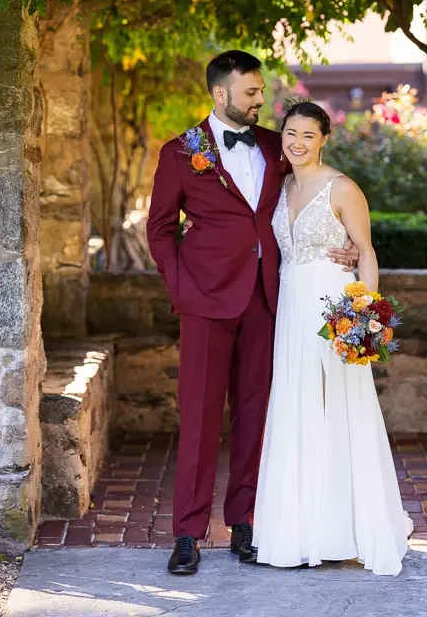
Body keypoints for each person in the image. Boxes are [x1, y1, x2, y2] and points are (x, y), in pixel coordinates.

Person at [146, 50, 359, 575]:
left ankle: (245, 523)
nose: (262, 100)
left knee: (256, 416)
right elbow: (158, 229)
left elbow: (319, 191)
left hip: (269, 301)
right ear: (221, 95)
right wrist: (181, 289)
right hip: (204, 303)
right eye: (251, 93)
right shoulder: (180, 152)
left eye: (261, 91)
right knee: (198, 419)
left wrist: (349, 245)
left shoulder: (273, 145)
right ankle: (188, 535)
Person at [253, 101, 413, 576]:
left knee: (339, 408)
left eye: (308, 135)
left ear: (324, 139)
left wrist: (363, 316)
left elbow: (365, 253)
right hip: (291, 309)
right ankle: (302, 531)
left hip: (333, 309)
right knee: (299, 409)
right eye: (290, 133)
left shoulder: (342, 187)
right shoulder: (279, 187)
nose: (297, 143)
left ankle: (349, 529)